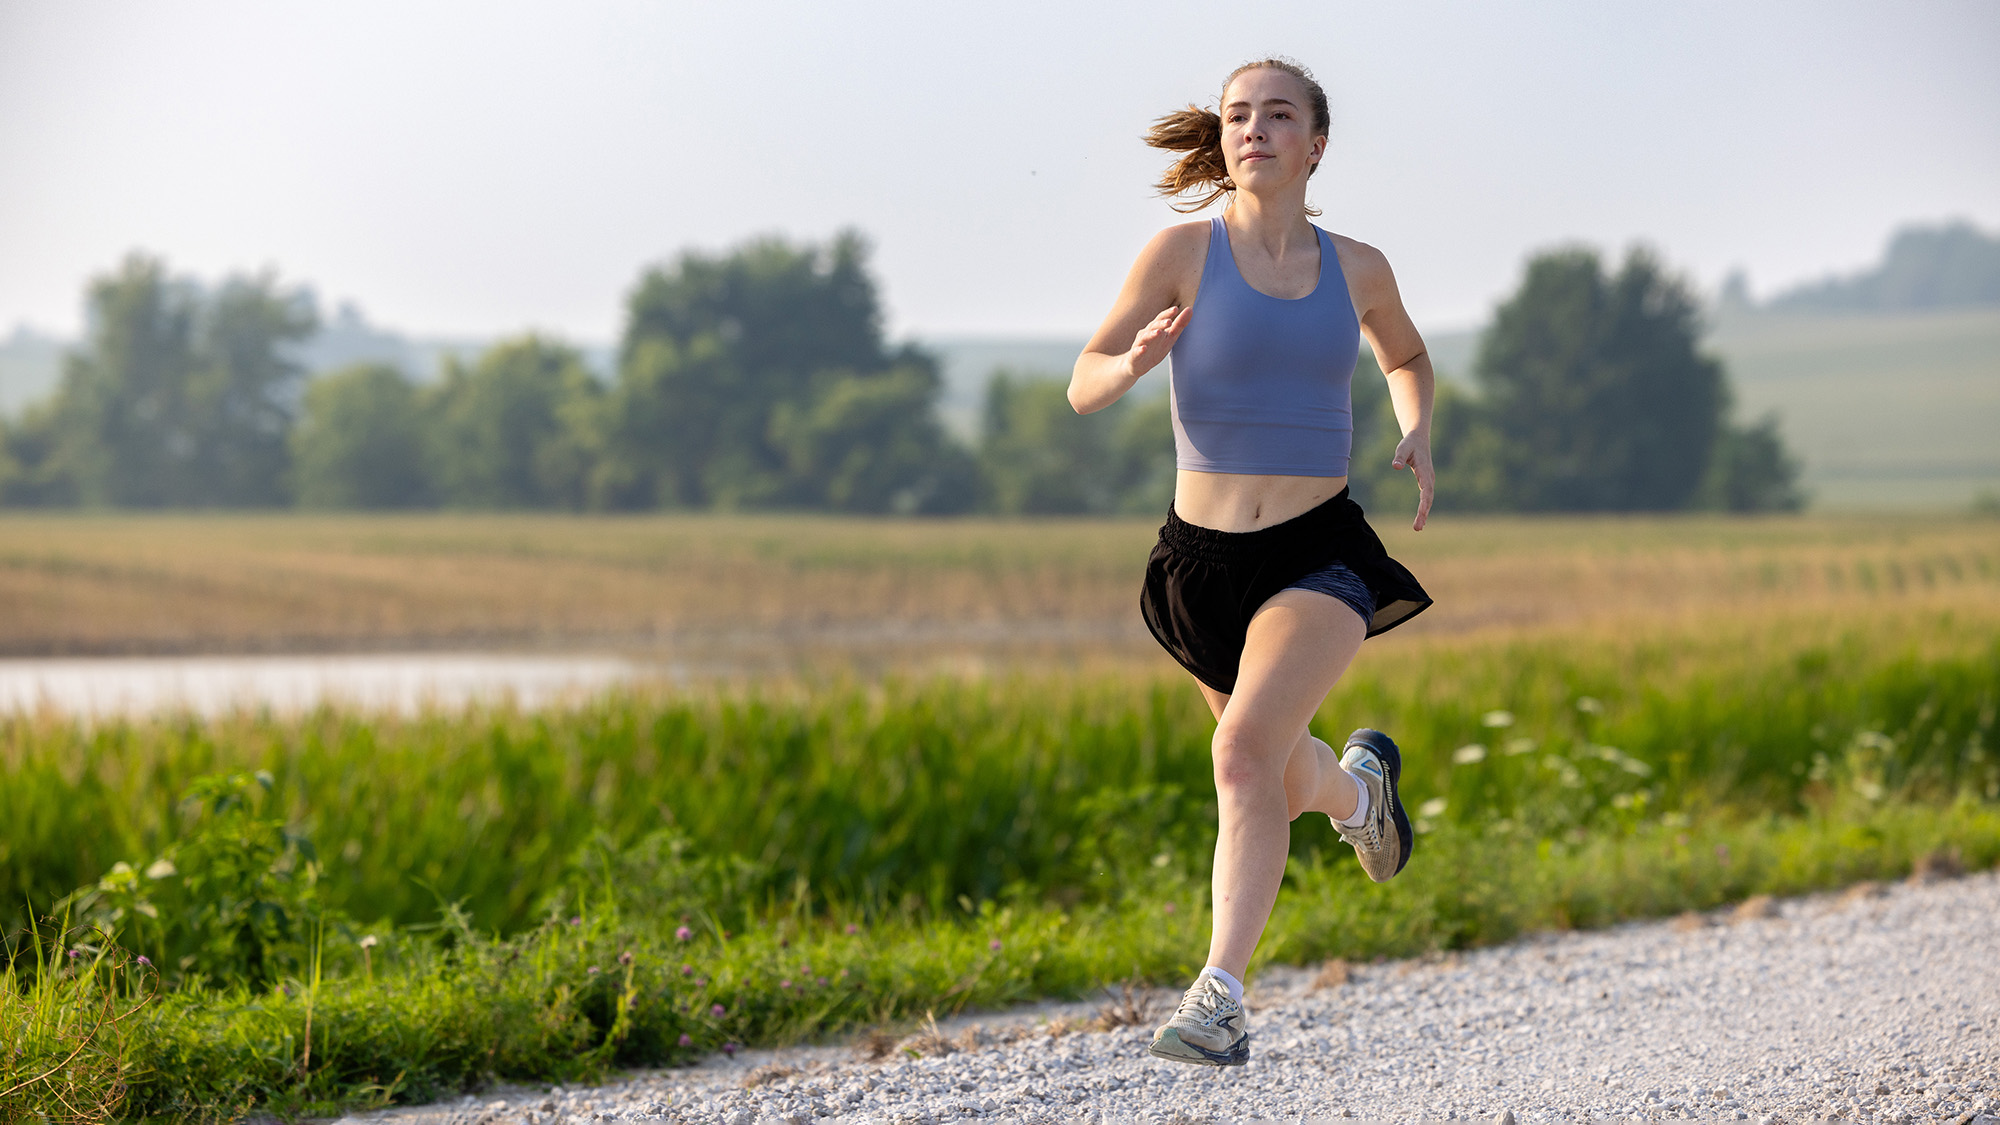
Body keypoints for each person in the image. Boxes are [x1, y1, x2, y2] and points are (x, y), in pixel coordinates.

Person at [1068, 57, 1437, 1068]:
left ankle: (1219, 999)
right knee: (1271, 771)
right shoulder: (1181, 251)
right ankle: (1361, 796)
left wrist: (1414, 427)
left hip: (1315, 554)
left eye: (1277, 115)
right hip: (1197, 566)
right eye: (1237, 115)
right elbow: (1082, 382)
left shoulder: (1356, 266)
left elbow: (1404, 355)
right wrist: (1132, 363)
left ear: (1314, 143)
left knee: (1236, 757)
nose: (1252, 129)